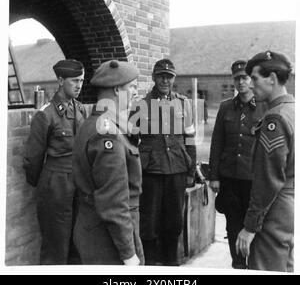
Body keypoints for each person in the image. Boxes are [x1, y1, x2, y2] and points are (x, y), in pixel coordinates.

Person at [72, 60, 144, 265]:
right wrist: (129, 254)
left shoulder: (96, 123)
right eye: (131, 87)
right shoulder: (107, 134)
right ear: (117, 90)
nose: (135, 93)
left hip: (95, 229)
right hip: (108, 239)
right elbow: (113, 202)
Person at [236, 51, 294, 272]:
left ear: (272, 78)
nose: (250, 85)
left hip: (273, 213)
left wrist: (250, 227)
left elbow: (268, 180)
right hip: (287, 208)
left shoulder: (275, 119)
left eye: (255, 78)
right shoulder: (292, 110)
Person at [23, 59, 86, 264]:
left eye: (82, 80)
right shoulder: (46, 114)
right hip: (56, 186)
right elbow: (33, 159)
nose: (79, 85)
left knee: (79, 242)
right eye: (74, 80)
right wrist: (44, 186)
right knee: (56, 247)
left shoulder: (81, 109)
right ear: (60, 80)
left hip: (78, 184)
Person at [136, 58, 196, 266]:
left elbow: (190, 139)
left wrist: (190, 172)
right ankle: (151, 264)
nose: (165, 81)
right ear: (154, 78)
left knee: (174, 222)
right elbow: (131, 141)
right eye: (161, 76)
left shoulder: (183, 103)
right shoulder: (142, 105)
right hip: (151, 171)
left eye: (169, 77)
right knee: (149, 222)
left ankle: (171, 263)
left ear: (173, 79)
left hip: (177, 170)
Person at [208, 60, 267, 269]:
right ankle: (238, 265)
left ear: (251, 80)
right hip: (229, 179)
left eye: (244, 77)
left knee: (254, 227)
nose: (241, 82)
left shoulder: (264, 106)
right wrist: (213, 177)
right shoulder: (226, 107)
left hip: (252, 180)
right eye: (237, 78)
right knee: (233, 226)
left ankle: (255, 265)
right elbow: (217, 143)